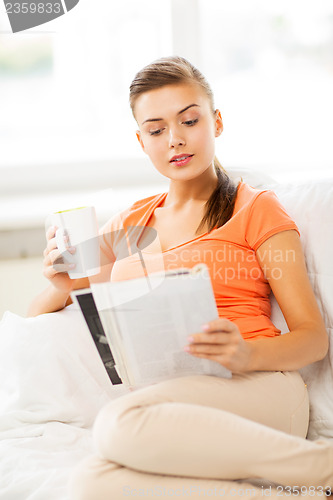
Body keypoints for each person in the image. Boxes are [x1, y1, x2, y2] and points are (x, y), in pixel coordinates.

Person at [28, 57, 332, 498]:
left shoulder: (256, 208)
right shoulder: (130, 223)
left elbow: (313, 339)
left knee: (117, 424)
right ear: (141, 141)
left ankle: (321, 465)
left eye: (189, 120)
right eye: (156, 130)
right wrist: (60, 284)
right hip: (179, 405)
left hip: (262, 389)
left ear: (217, 122)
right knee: (91, 482)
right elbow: (38, 313)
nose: (175, 139)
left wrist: (245, 354)